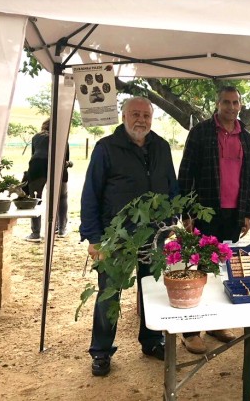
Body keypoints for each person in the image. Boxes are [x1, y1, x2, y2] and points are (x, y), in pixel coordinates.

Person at [80, 97, 178, 377]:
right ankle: (101, 351)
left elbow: (172, 186)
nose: (141, 120)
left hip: (154, 235)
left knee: (152, 289)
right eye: (135, 114)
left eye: (146, 115)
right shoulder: (106, 148)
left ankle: (151, 341)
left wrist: (171, 220)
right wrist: (94, 237)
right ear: (123, 116)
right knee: (109, 294)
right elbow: (90, 195)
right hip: (116, 236)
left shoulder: (161, 146)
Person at [178, 86, 250, 354]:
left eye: (235, 102)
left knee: (223, 271)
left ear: (240, 106)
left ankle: (216, 324)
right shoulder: (200, 132)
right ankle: (190, 332)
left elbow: (248, 178)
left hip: (232, 215)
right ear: (217, 104)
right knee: (197, 270)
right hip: (204, 212)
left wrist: (246, 213)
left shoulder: (246, 137)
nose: (231, 107)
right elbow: (185, 172)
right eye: (226, 102)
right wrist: (186, 213)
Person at [24, 118, 71, 242]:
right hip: (57, 166)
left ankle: (35, 233)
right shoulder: (62, 137)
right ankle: (61, 229)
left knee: (36, 199)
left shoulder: (36, 137)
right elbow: (66, 158)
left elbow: (34, 154)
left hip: (37, 166)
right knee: (62, 197)